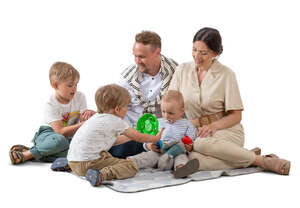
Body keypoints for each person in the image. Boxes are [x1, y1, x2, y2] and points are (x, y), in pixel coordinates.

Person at [168, 27, 291, 175]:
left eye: (203, 53)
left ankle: (263, 162)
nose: (197, 56)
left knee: (200, 144)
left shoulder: (227, 75)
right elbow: (172, 103)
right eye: (194, 50)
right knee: (193, 156)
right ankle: (247, 156)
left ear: (216, 53)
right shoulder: (182, 70)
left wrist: (213, 126)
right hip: (194, 131)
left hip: (226, 130)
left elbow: (236, 116)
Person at [67, 84, 164, 187]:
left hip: (73, 161)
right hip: (87, 164)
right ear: (117, 109)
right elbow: (139, 137)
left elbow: (114, 141)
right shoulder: (115, 120)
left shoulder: (96, 117)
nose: (127, 110)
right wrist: (155, 138)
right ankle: (101, 175)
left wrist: (132, 134)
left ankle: (67, 165)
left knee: (105, 154)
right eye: (126, 106)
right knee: (130, 166)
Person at [9, 62, 95, 164]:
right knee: (60, 141)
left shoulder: (80, 97)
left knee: (78, 151)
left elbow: (83, 121)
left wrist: (89, 115)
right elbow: (60, 132)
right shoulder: (50, 105)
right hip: (49, 134)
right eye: (70, 85)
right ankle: (25, 155)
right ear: (55, 85)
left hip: (68, 138)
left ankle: (34, 152)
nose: (74, 88)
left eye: (76, 84)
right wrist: (82, 124)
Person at [109, 31, 178, 159]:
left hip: (161, 130)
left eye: (142, 57)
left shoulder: (175, 71)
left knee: (175, 137)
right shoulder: (127, 78)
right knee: (118, 148)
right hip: (132, 132)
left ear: (158, 52)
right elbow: (113, 106)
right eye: (135, 56)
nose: (137, 61)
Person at [128, 90, 199, 178]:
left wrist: (189, 147)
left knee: (182, 158)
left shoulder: (187, 124)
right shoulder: (158, 122)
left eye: (170, 113)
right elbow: (147, 139)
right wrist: (149, 145)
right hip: (159, 151)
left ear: (181, 111)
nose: (166, 116)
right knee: (147, 157)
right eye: (163, 111)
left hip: (177, 152)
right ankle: (128, 163)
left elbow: (191, 142)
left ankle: (181, 169)